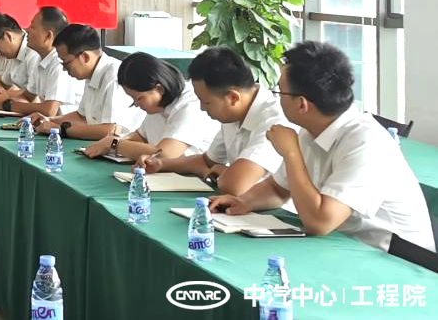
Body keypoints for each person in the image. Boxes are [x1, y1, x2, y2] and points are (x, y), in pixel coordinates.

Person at [209, 42, 434, 251]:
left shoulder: (366, 143)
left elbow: (320, 222)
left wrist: (291, 153)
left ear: (302, 104)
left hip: (393, 259)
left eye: (280, 92)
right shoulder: (311, 129)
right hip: (343, 244)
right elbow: (278, 189)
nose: (277, 99)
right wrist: (243, 202)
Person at [139, 47, 286, 195]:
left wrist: (224, 172)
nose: (202, 108)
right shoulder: (234, 113)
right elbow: (207, 161)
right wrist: (161, 164)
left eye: (206, 102)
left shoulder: (274, 121)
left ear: (233, 97)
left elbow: (235, 185)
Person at [82, 51, 218, 161]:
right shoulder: (158, 106)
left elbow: (165, 155)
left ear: (159, 89)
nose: (136, 104)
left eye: (139, 98)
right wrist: (117, 139)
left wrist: (114, 144)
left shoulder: (191, 104)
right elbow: (141, 136)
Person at [33, 24, 144, 140]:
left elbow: (111, 130)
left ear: (85, 57)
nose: (64, 69)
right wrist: (48, 120)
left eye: (66, 63)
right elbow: (81, 116)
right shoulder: (91, 73)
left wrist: (61, 129)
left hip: (126, 146)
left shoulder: (114, 76)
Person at [0, 7, 79, 119]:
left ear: (48, 35)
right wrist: (4, 101)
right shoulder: (40, 59)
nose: (27, 31)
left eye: (32, 27)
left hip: (66, 127)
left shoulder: (59, 63)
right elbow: (27, 96)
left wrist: (8, 105)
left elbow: (49, 110)